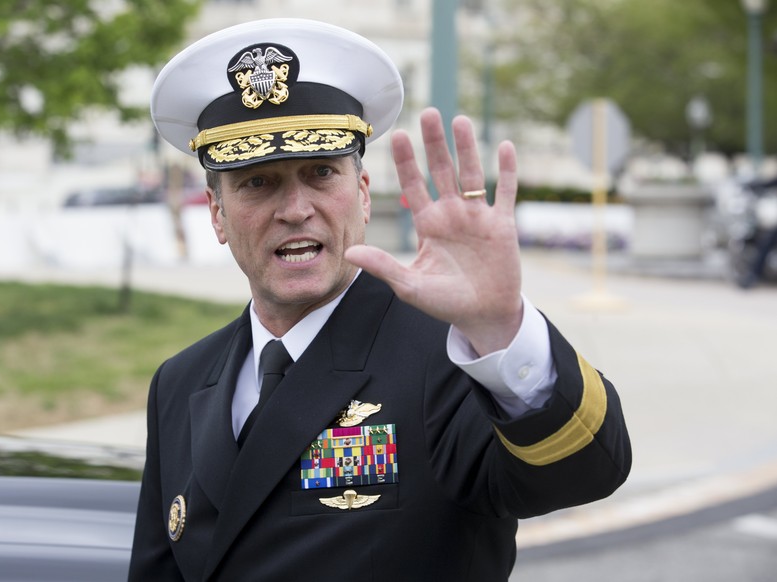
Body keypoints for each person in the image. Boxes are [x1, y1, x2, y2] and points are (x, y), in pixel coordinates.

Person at [129, 18, 631, 582]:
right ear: (217, 214)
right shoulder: (179, 381)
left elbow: (588, 469)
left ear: (363, 196)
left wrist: (502, 330)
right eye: (257, 183)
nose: (296, 208)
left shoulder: (448, 355)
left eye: (321, 173)